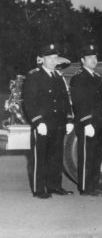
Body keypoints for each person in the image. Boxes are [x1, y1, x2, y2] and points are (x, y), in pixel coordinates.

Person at [22, 43, 74, 198]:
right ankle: (39, 189)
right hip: (43, 124)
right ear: (42, 59)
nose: (53, 61)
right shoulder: (34, 76)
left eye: (55, 57)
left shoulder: (58, 77)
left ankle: (54, 186)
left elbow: (65, 99)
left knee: (56, 157)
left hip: (58, 123)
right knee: (40, 157)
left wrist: (69, 119)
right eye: (49, 57)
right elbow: (30, 102)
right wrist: (38, 121)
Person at [69, 44, 102, 196]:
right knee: (87, 157)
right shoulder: (79, 78)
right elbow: (79, 102)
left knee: (97, 156)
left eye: (95, 57)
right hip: (88, 124)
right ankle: (85, 188)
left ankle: (94, 185)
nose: (94, 60)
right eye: (90, 57)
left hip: (98, 124)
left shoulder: (96, 77)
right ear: (82, 60)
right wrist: (86, 123)